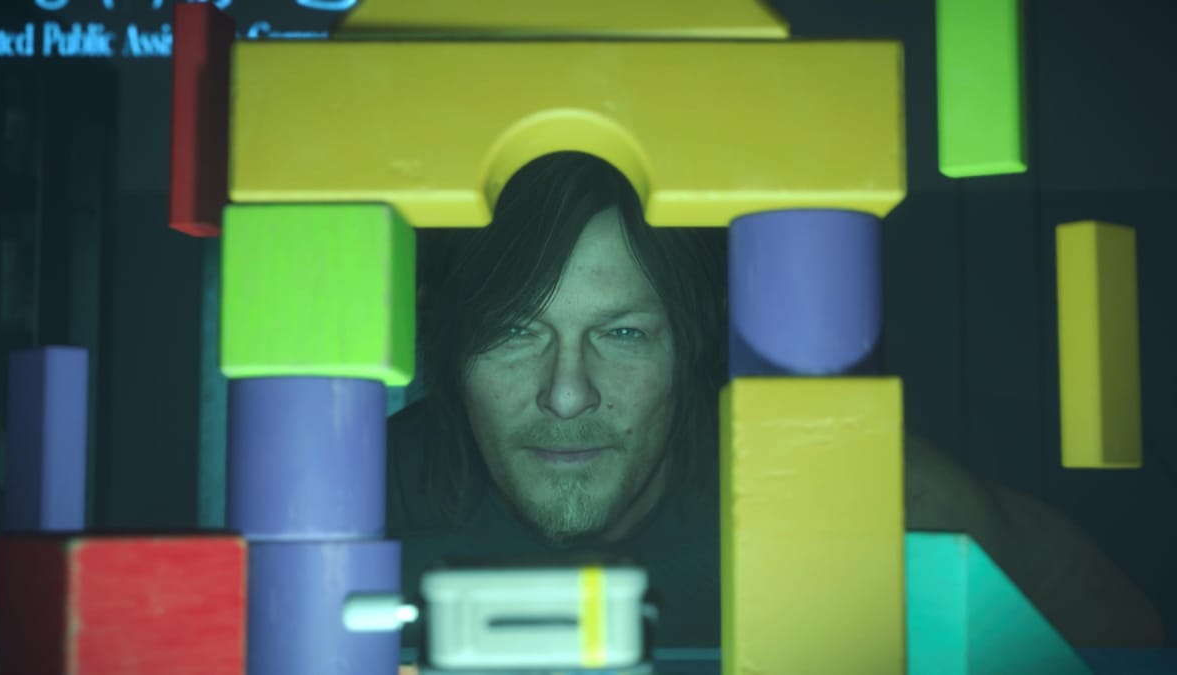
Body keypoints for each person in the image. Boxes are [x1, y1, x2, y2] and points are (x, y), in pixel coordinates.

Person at [385, 152, 1165, 651]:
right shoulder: (360, 506)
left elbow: (1127, 635)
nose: (566, 393)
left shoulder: (838, 488)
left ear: (691, 345)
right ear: (447, 347)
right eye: (515, 332)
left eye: (622, 333)